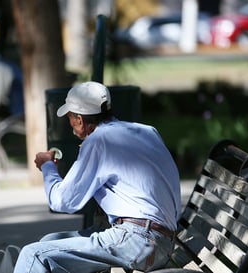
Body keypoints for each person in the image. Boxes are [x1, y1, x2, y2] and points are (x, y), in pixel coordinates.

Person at [13, 81, 181, 272]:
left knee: (33, 254)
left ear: (79, 120)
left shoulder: (98, 141)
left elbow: (63, 201)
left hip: (139, 241)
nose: (71, 125)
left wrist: (48, 167)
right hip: (161, 241)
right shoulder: (147, 131)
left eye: (70, 118)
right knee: (50, 242)